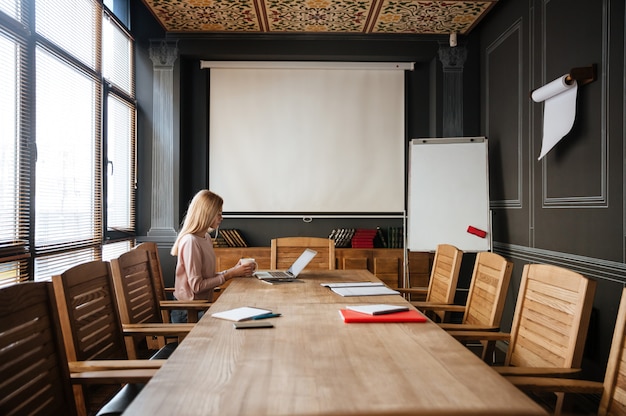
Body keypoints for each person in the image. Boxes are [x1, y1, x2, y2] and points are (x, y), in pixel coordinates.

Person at [170, 189, 256, 323]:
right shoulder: (191, 241)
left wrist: (233, 271)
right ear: (207, 214)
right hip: (189, 313)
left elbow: (206, 278)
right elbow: (197, 287)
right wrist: (230, 274)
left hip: (201, 307)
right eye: (218, 214)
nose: (221, 218)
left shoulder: (205, 238)